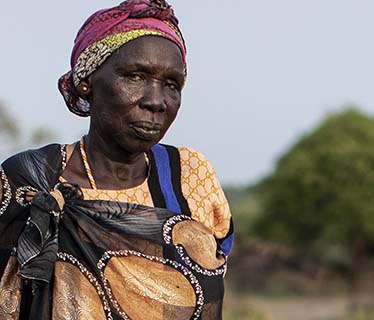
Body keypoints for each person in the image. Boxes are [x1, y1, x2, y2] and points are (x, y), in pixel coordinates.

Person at [0, 0, 233, 318]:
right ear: (87, 80)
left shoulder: (189, 175)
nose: (156, 101)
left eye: (171, 85)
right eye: (136, 76)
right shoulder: (29, 180)